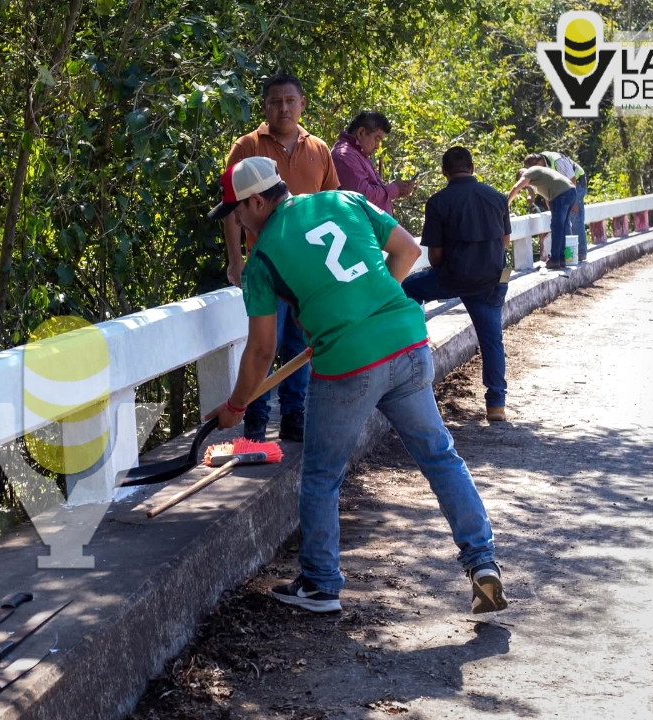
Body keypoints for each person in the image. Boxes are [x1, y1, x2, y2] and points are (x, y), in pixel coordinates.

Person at [205, 156, 508, 616]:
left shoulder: (263, 259)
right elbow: (407, 251)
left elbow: (262, 351)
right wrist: (372, 303)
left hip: (347, 365)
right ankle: (482, 563)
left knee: (322, 475)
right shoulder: (345, 199)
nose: (239, 221)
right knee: (440, 456)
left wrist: (236, 404)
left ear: (258, 201)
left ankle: (320, 585)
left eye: (238, 211)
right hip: (407, 344)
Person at [223, 73, 341, 443]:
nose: (284, 108)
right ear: (265, 106)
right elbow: (230, 210)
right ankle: (255, 417)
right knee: (262, 342)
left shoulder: (319, 148)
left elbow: (330, 205)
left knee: (298, 343)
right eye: (276, 101)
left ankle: (293, 414)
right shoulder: (246, 147)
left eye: (291, 100)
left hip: (309, 271)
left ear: (302, 104)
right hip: (267, 267)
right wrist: (236, 260)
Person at [402, 147, 511, 423]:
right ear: (472, 168)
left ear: (444, 172)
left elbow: (435, 256)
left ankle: (413, 351)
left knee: (408, 288)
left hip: (454, 276)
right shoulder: (498, 197)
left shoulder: (439, 202)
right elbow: (506, 241)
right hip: (494, 279)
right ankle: (496, 404)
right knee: (492, 339)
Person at [330, 111, 415, 215]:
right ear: (361, 132)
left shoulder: (359, 154)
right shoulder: (344, 154)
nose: (377, 146)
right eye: (377, 139)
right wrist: (393, 189)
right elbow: (361, 196)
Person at [508, 159, 576, 270]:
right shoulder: (540, 175)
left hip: (561, 194)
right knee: (562, 227)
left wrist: (506, 204)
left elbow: (516, 187)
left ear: (521, 174)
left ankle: (554, 259)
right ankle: (561, 259)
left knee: (557, 227)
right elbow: (548, 198)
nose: (527, 185)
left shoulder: (528, 172)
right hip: (571, 191)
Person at [537, 151, 588, 248]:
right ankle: (569, 252)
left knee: (575, 217)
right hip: (562, 188)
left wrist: (573, 202)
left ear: (540, 161)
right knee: (564, 220)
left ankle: (581, 252)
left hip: (576, 183)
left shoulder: (557, 161)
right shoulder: (541, 167)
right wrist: (548, 201)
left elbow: (572, 179)